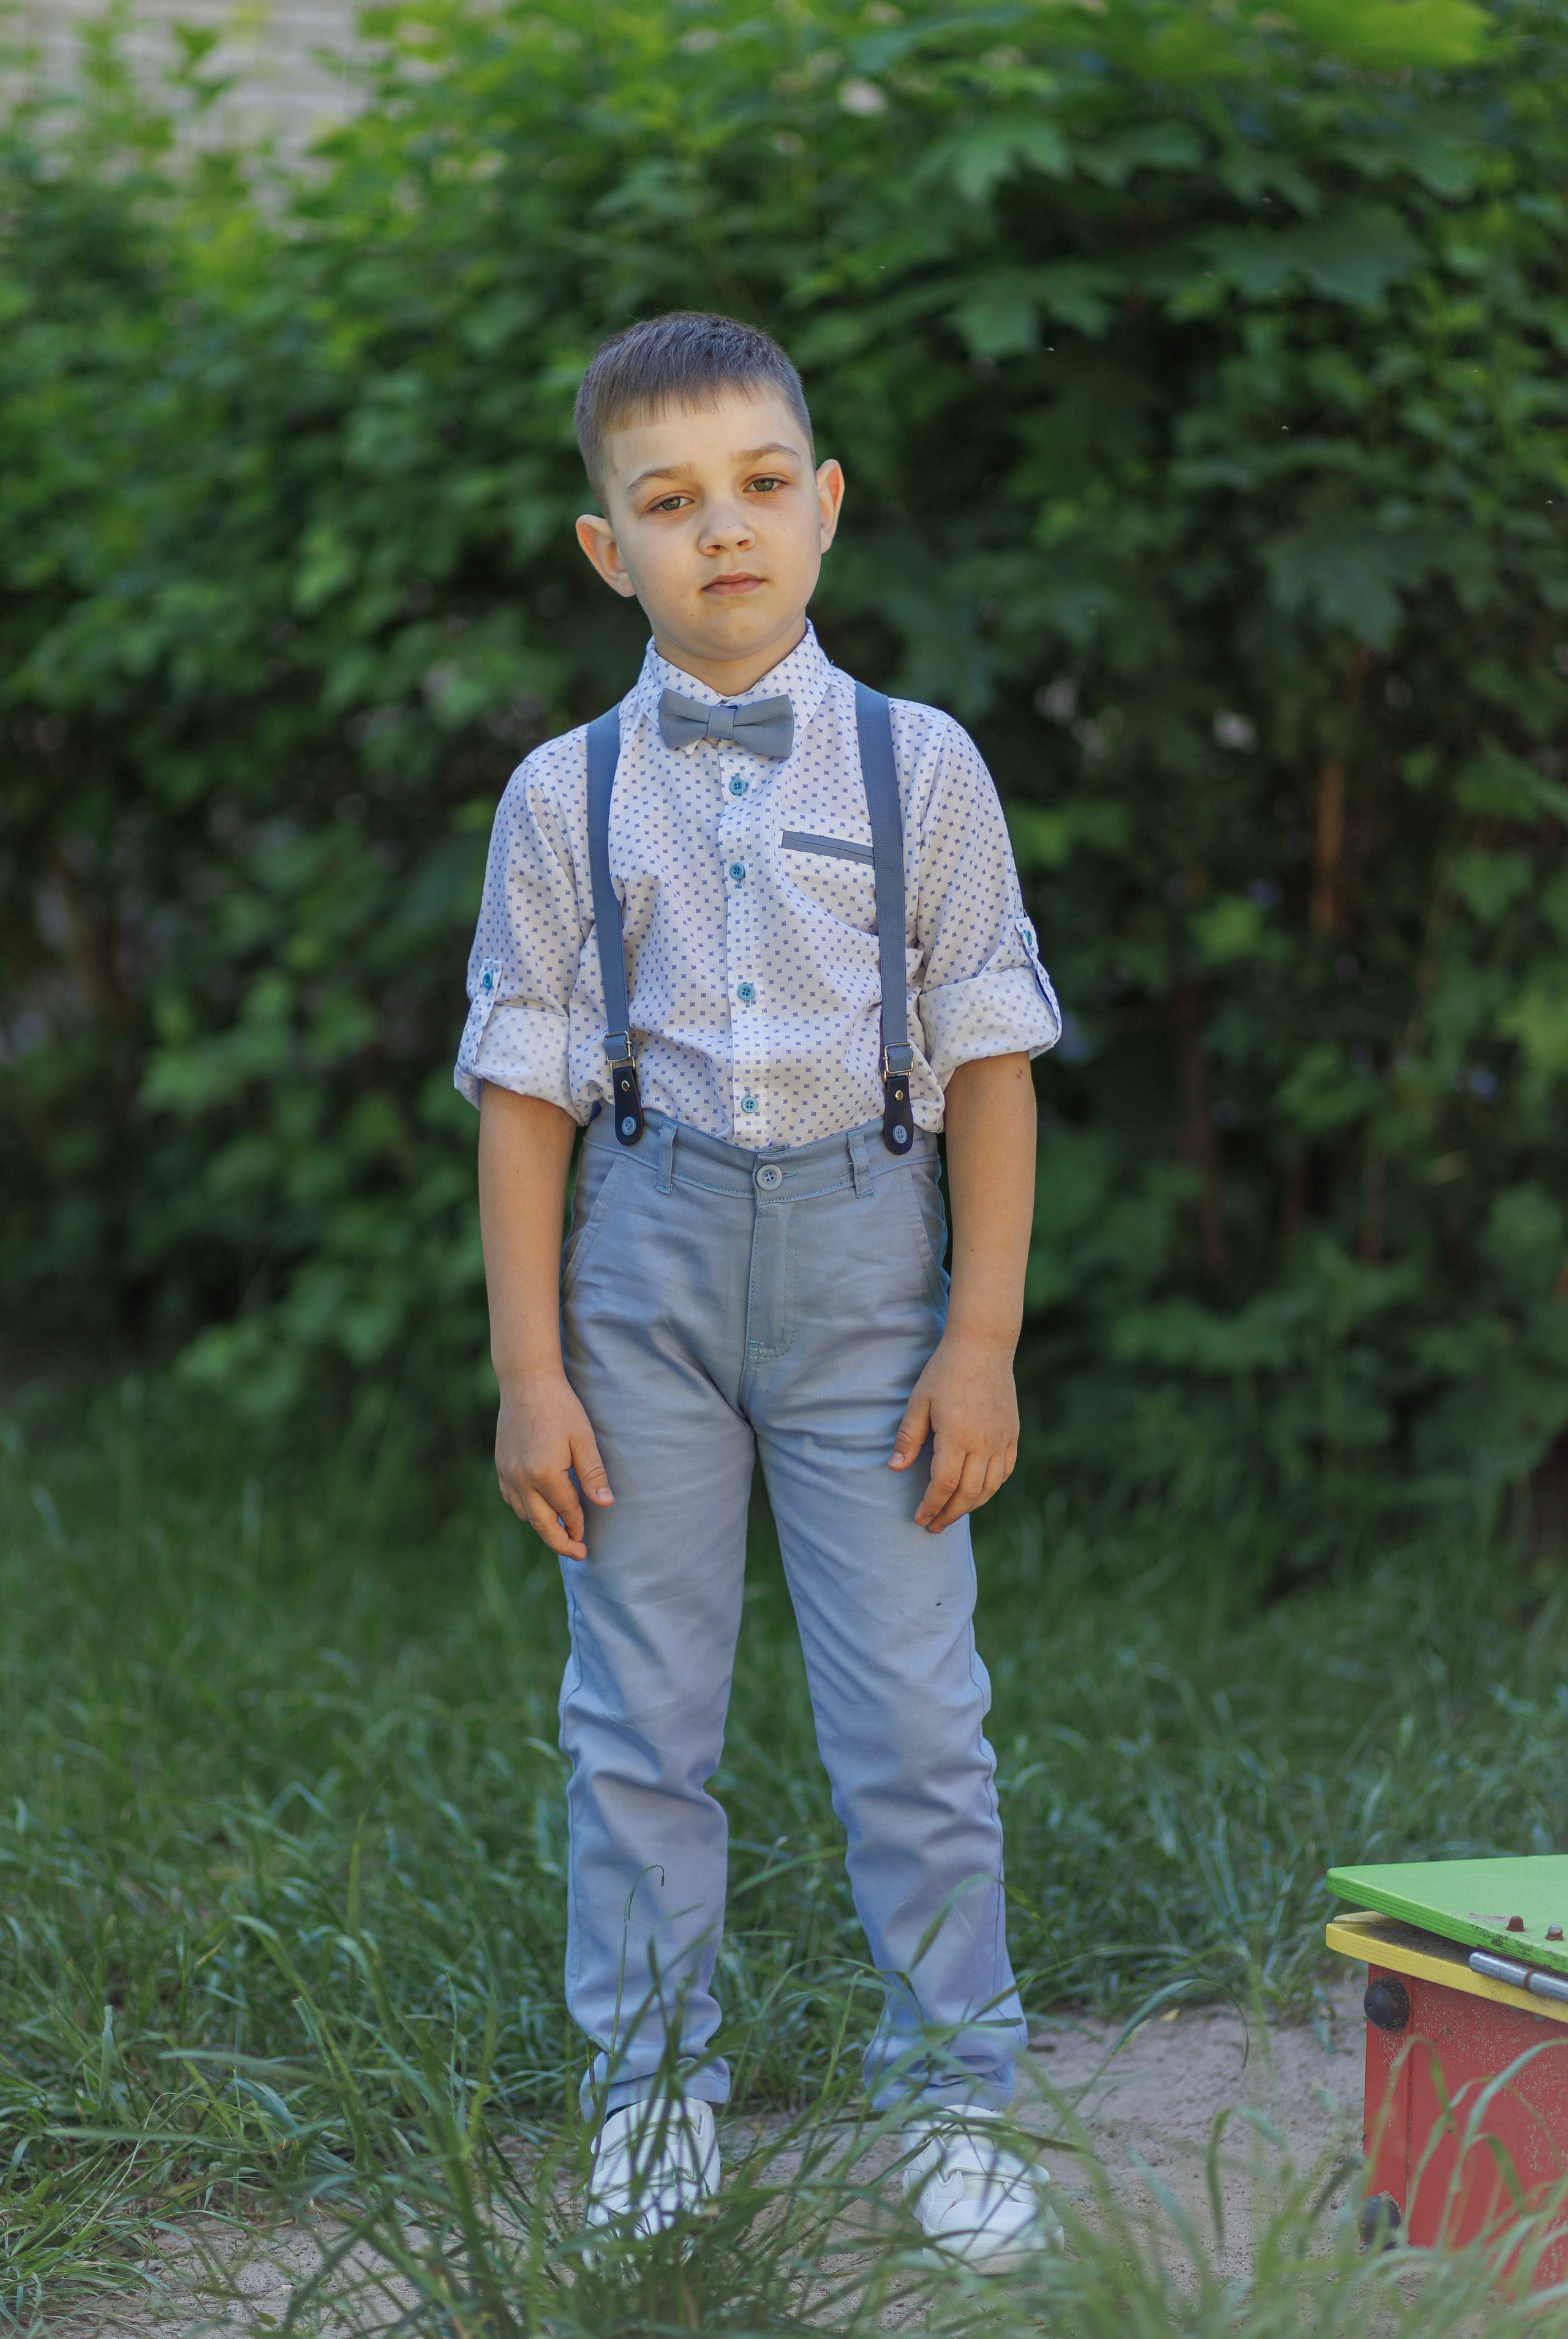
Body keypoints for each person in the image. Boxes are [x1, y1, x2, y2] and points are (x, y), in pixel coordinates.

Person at [456, 311, 1062, 2271]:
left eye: (758, 486)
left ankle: (956, 2088)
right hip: (640, 1270)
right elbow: (528, 1096)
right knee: (638, 1717)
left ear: (826, 508)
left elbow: (985, 1058)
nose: (721, 529)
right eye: (668, 500)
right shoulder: (561, 794)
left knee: (914, 1711)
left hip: (873, 1279)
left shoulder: (925, 765)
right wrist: (528, 1368)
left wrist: (981, 1339)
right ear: (603, 548)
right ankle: (650, 2093)